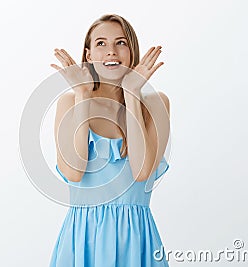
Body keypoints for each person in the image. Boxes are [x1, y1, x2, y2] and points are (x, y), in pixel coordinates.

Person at [49, 14, 171, 267]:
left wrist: (132, 92)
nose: (111, 52)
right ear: (89, 54)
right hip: (83, 238)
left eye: (121, 43)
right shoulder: (69, 102)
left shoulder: (156, 104)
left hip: (136, 239)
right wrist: (82, 94)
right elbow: (73, 171)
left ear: (132, 51)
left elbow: (141, 171)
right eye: (101, 44)